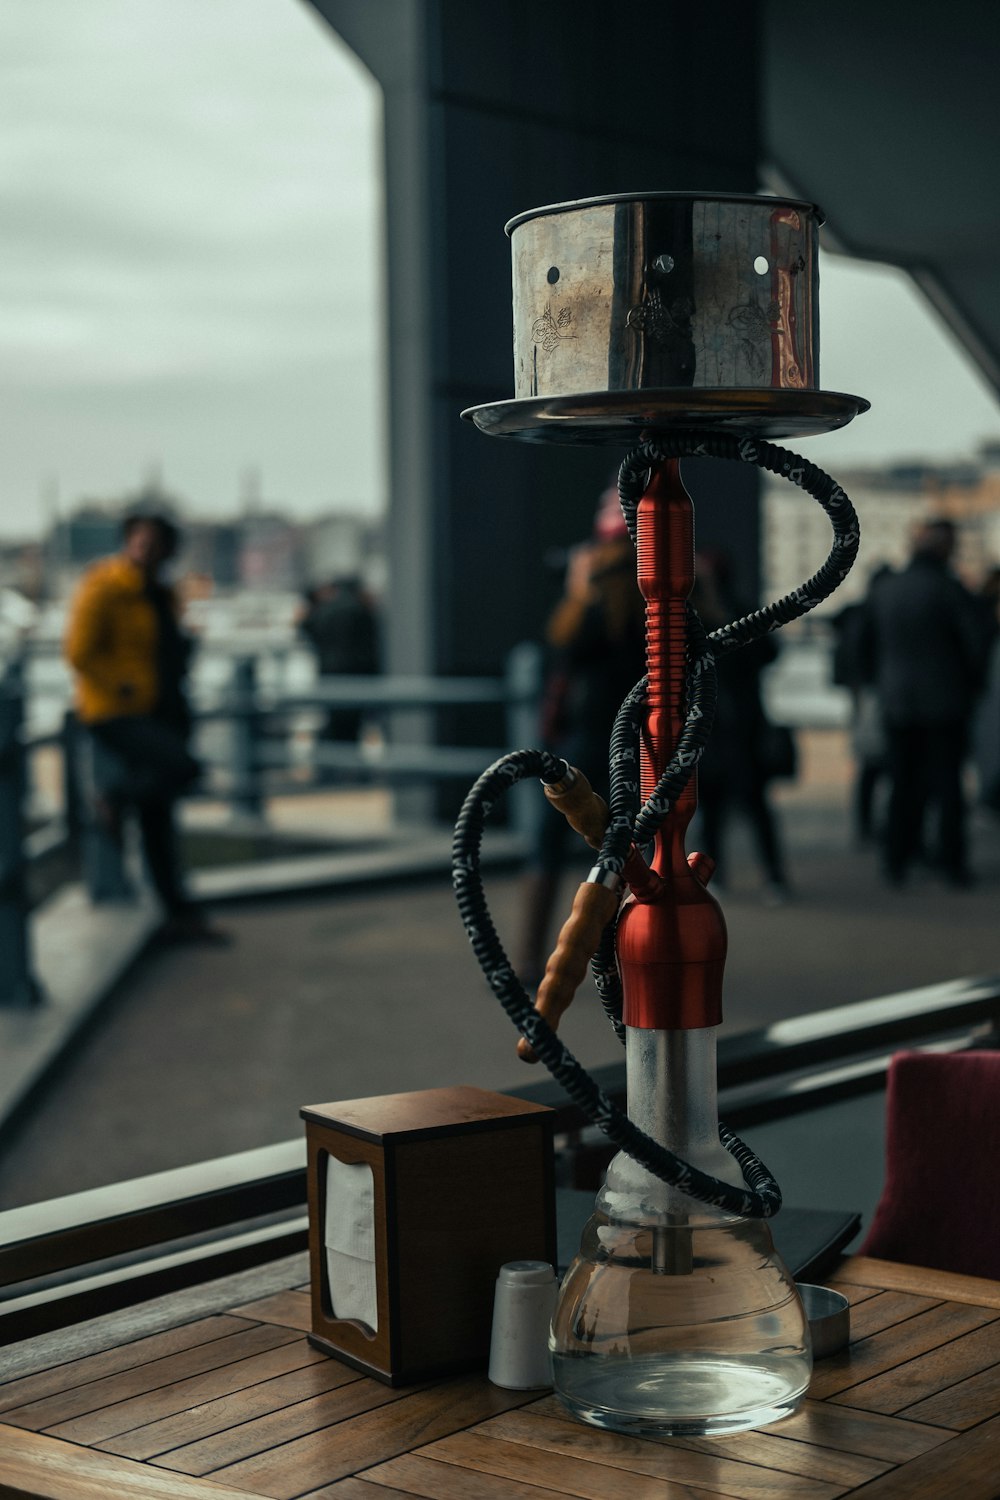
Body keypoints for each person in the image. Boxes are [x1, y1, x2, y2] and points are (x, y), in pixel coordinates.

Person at [64, 513, 224, 941]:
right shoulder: (104, 586)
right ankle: (113, 799)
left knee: (159, 822)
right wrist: (123, 686)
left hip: (163, 710)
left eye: (155, 543)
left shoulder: (161, 593)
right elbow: (79, 651)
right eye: (139, 541)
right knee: (184, 768)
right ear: (127, 542)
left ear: (169, 549)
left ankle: (177, 912)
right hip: (117, 711)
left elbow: (167, 649)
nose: (146, 550)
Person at [515, 486, 646, 983]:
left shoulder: (597, 604)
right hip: (636, 743)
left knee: (548, 848)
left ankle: (530, 960)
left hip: (587, 741)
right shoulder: (657, 597)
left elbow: (561, 647)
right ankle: (623, 962)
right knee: (624, 856)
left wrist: (577, 587)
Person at [862, 518, 987, 887]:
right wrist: (972, 687)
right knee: (948, 786)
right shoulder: (950, 590)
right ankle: (951, 863)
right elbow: (975, 645)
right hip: (945, 703)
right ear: (945, 549)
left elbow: (863, 646)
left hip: (897, 702)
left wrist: (880, 685)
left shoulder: (886, 590)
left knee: (901, 784)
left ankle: (897, 860)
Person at [690, 550, 792, 903]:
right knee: (719, 805)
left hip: (734, 722)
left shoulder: (730, 610)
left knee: (747, 802)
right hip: (722, 722)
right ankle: (723, 876)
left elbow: (768, 653)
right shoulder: (697, 615)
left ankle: (770, 876)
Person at [297, 576, 380, 755]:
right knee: (355, 723)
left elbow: (305, 628)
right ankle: (352, 765)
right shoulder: (361, 609)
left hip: (329, 674)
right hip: (359, 675)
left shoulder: (324, 610)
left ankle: (334, 765)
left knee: (334, 721)